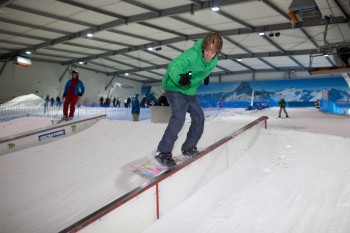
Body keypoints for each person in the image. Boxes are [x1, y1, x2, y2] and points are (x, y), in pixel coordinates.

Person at [155, 32, 223, 167]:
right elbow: (174, 65)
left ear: (217, 53)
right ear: (203, 47)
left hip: (189, 90)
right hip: (174, 86)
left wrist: (204, 76)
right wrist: (179, 77)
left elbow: (204, 69)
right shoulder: (192, 55)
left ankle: (189, 147)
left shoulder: (214, 61)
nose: (209, 55)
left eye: (213, 52)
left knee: (199, 117)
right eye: (208, 51)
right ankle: (163, 152)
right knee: (179, 118)